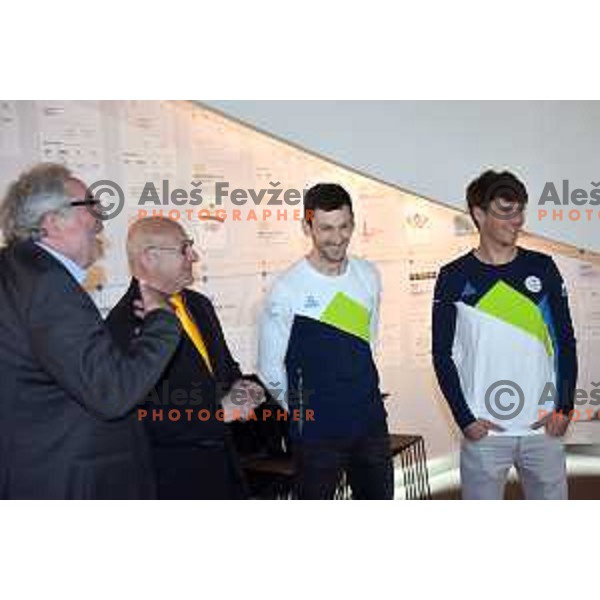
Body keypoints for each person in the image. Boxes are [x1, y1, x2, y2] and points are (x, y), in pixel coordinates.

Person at [0, 163, 181, 499]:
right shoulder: (46, 284)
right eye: (90, 206)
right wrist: (163, 321)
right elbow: (112, 393)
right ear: (51, 221)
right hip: (67, 481)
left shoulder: (16, 271)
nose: (100, 220)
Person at [432, 170, 578, 500]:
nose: (516, 221)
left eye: (520, 211)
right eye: (505, 212)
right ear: (479, 215)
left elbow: (565, 342)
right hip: (485, 433)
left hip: (543, 427)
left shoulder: (542, 267)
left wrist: (565, 408)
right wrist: (465, 419)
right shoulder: (454, 276)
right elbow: (441, 355)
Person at [107, 217, 265, 499]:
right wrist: (219, 414)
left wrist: (242, 388)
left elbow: (225, 371)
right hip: (174, 482)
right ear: (150, 257)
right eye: (184, 248)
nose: (194, 256)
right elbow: (142, 418)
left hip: (226, 471)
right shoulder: (121, 327)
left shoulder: (199, 305)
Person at [257, 183, 394, 499]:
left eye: (344, 226)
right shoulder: (286, 288)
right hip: (316, 434)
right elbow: (268, 368)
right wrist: (304, 413)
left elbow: (368, 340)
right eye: (326, 228)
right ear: (307, 227)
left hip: (369, 422)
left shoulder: (368, 274)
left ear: (353, 223)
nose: (337, 237)